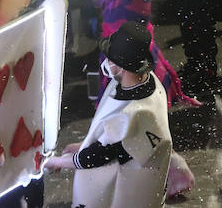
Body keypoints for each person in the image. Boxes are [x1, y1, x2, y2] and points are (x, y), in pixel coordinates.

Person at [45, 23, 173, 208]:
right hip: (139, 175)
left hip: (129, 186)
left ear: (122, 66)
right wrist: (83, 145)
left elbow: (96, 157)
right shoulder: (147, 81)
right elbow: (114, 142)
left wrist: (55, 161)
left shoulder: (133, 112)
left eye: (110, 58)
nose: (106, 62)